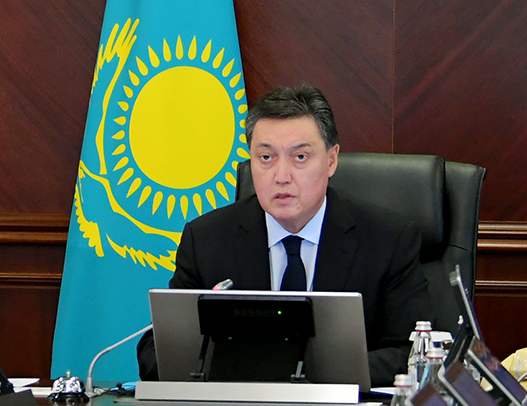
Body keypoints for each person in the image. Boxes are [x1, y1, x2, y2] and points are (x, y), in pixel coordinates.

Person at [136, 84, 432, 386]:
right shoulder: (207, 240)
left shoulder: (388, 240)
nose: (281, 176)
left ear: (331, 160)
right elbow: (156, 353)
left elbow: (412, 354)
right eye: (266, 158)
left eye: (300, 157)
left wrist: (299, 372)